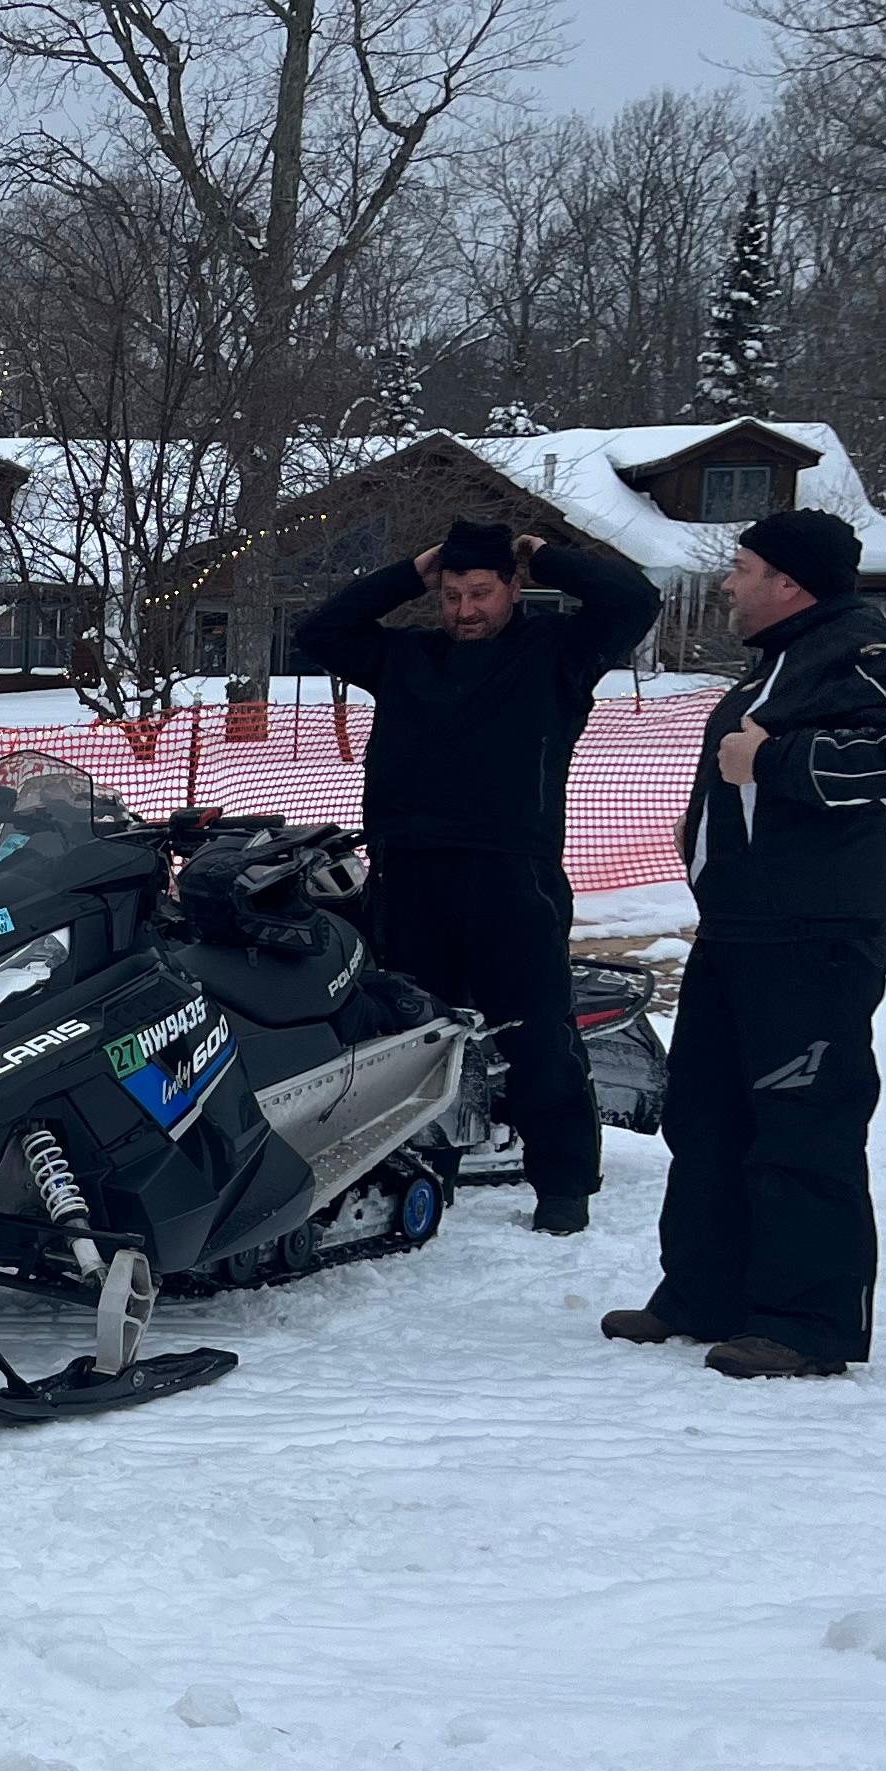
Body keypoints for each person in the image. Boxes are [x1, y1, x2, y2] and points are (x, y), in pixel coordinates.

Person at [605, 508, 886, 1378]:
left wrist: (780, 763)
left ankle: (808, 1325)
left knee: (804, 1125)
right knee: (707, 1117)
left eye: (743, 567)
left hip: (817, 939)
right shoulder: (772, 671)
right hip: (739, 933)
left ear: (790, 582)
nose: (728, 583)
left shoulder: (864, 654)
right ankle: (704, 1296)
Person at [291, 517, 662, 1234]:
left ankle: (563, 1184)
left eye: (482, 593)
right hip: (409, 874)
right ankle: (421, 1174)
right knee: (411, 1037)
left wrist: (543, 552)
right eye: (453, 594)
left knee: (537, 1033)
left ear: (514, 589)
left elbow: (633, 601)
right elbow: (320, 633)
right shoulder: (406, 655)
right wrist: (411, 571)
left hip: (510, 873)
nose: (465, 610)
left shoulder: (557, 653)